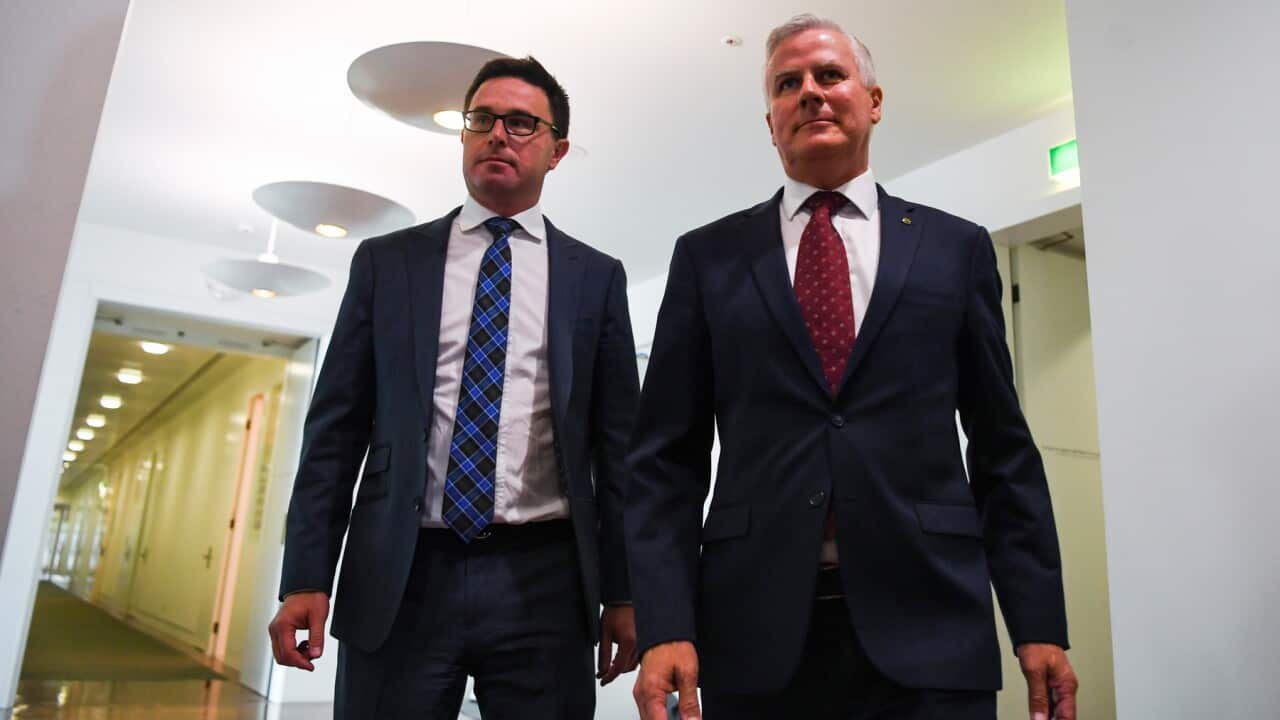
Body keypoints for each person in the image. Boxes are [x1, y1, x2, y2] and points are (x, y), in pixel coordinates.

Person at [626, 14, 1079, 720]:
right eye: (787, 84)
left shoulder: (954, 250)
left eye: (830, 75)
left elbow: (1002, 449)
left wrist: (1039, 620)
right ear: (770, 123)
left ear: (872, 100)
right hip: (754, 633)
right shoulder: (707, 259)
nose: (809, 92)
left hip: (932, 622)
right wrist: (666, 623)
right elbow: (664, 463)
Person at [267, 56, 640, 719]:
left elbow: (619, 458)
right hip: (401, 573)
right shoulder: (388, 264)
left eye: (521, 122)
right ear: (464, 137)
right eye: (482, 119)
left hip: (545, 581)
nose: (498, 134)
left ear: (556, 151)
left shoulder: (596, 279)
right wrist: (305, 574)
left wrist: (628, 592)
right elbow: (335, 433)